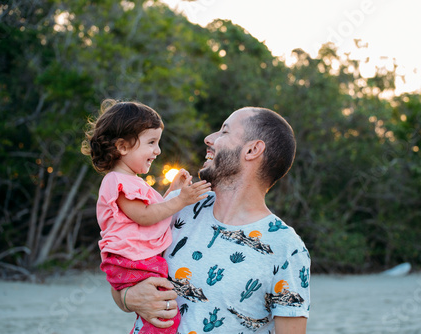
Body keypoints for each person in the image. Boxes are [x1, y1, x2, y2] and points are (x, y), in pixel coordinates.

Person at [112, 107, 311, 333]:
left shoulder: (287, 248)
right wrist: (128, 298)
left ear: (253, 149)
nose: (209, 138)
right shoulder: (176, 206)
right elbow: (120, 271)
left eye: (224, 132)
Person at [81, 99, 211, 334]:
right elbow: (144, 216)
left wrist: (174, 191)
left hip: (138, 260)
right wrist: (181, 200)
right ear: (122, 147)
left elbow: (156, 210)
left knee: (160, 310)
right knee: (163, 312)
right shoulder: (117, 182)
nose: (158, 151)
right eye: (151, 142)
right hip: (132, 261)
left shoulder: (133, 183)